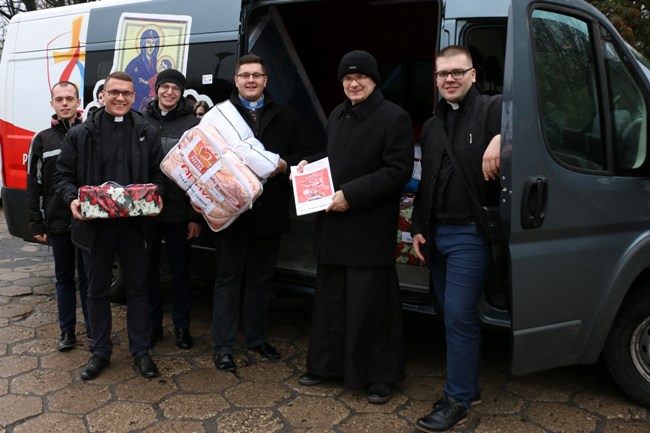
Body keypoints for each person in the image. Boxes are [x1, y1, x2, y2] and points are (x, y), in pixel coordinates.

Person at [296, 50, 413, 404]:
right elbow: (335, 158)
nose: (353, 83)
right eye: (347, 78)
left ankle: (379, 377)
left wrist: (352, 194)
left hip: (368, 226)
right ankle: (326, 365)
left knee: (371, 306)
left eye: (360, 77)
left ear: (375, 80)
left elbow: (397, 171)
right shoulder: (337, 114)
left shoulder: (395, 117)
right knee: (331, 300)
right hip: (333, 225)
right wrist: (309, 166)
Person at [410, 45, 501, 432]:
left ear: (473, 75)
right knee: (448, 314)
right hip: (436, 233)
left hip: (470, 234)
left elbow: (534, 121)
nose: (449, 79)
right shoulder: (432, 125)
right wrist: (417, 226)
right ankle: (470, 386)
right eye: (442, 73)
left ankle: (458, 400)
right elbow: (427, 180)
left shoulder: (495, 109)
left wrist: (503, 138)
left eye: (457, 72)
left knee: (460, 316)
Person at [55, 71, 166, 381]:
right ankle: (100, 352)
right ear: (102, 95)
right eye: (114, 92)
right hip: (95, 229)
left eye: (127, 94)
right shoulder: (80, 134)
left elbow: (160, 175)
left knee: (139, 289)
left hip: (135, 228)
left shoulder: (147, 131)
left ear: (135, 97)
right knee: (96, 290)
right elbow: (63, 176)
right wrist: (71, 199)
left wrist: (157, 197)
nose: (120, 98)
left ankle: (141, 351)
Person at [211, 54, 309, 373]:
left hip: (269, 211)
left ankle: (255, 338)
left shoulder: (286, 116)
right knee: (227, 280)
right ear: (236, 80)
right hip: (231, 212)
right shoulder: (220, 118)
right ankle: (223, 347)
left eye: (257, 75)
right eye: (244, 75)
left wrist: (284, 165)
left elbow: (300, 155)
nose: (251, 80)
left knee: (261, 281)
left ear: (266, 80)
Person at [26, 81, 90, 351]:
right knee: (64, 278)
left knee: (89, 278)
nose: (65, 103)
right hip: (57, 220)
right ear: (52, 103)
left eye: (70, 98)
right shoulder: (42, 139)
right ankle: (67, 332)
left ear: (78, 103)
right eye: (59, 99)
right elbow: (34, 184)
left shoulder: (91, 133)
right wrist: (36, 221)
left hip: (88, 220)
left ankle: (94, 329)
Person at [142, 69, 201, 350]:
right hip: (148, 211)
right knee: (149, 272)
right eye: (164, 87)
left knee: (180, 274)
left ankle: (181, 327)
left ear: (181, 93)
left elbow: (201, 172)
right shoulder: (140, 120)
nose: (169, 92)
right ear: (156, 90)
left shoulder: (193, 124)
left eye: (175, 89)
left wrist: (194, 216)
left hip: (179, 212)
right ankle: (154, 326)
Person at [125, 29, 160, 111]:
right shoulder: (134, 64)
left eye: (153, 42)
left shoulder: (159, 64)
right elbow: (128, 86)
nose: (151, 46)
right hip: (138, 105)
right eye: (148, 42)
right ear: (143, 44)